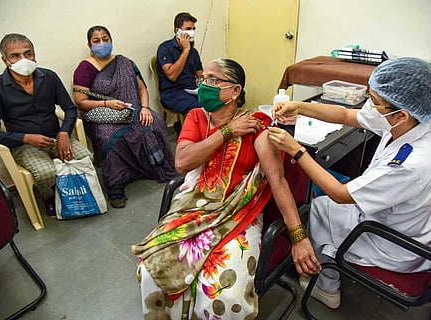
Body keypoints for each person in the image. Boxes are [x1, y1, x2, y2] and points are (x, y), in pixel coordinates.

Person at [132, 58, 320, 319]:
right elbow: (182, 162)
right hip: (193, 206)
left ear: (235, 91)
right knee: (153, 271)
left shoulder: (257, 125)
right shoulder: (196, 117)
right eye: (202, 79)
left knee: (224, 294)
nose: (203, 87)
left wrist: (298, 236)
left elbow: (277, 180)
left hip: (241, 214)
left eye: (212, 79)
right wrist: (228, 131)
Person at [267, 57, 431, 309]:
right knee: (327, 204)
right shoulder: (416, 122)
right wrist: (299, 106)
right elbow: (346, 113)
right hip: (410, 224)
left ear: (401, 114)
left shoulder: (410, 164)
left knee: (321, 208)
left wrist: (297, 151)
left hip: (394, 245)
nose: (371, 106)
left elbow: (340, 194)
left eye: (375, 102)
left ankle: (326, 286)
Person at [0, 33, 92, 217]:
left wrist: (64, 132)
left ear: (34, 55)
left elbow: (70, 108)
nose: (23, 60)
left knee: (85, 157)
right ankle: (49, 197)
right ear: (5, 60)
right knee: (46, 172)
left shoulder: (49, 77)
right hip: (25, 145)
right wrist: (25, 138)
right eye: (15, 56)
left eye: (28, 53)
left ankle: (76, 192)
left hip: (56, 137)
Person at [73, 25, 176, 209]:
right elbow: (81, 101)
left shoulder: (124, 62)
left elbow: (142, 88)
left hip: (133, 110)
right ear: (89, 45)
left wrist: (144, 107)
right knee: (107, 136)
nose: (102, 43)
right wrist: (107, 104)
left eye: (106, 39)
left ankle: (155, 166)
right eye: (97, 41)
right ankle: (116, 185)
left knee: (155, 121)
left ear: (111, 40)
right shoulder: (85, 68)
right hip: (103, 115)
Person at [156, 12, 203, 134]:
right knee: (198, 107)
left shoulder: (194, 52)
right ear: (177, 30)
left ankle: (208, 135)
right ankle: (191, 139)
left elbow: (200, 75)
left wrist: (211, 84)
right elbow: (172, 75)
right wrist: (185, 50)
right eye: (188, 29)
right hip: (172, 92)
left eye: (193, 29)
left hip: (192, 89)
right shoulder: (165, 48)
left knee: (214, 100)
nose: (191, 32)